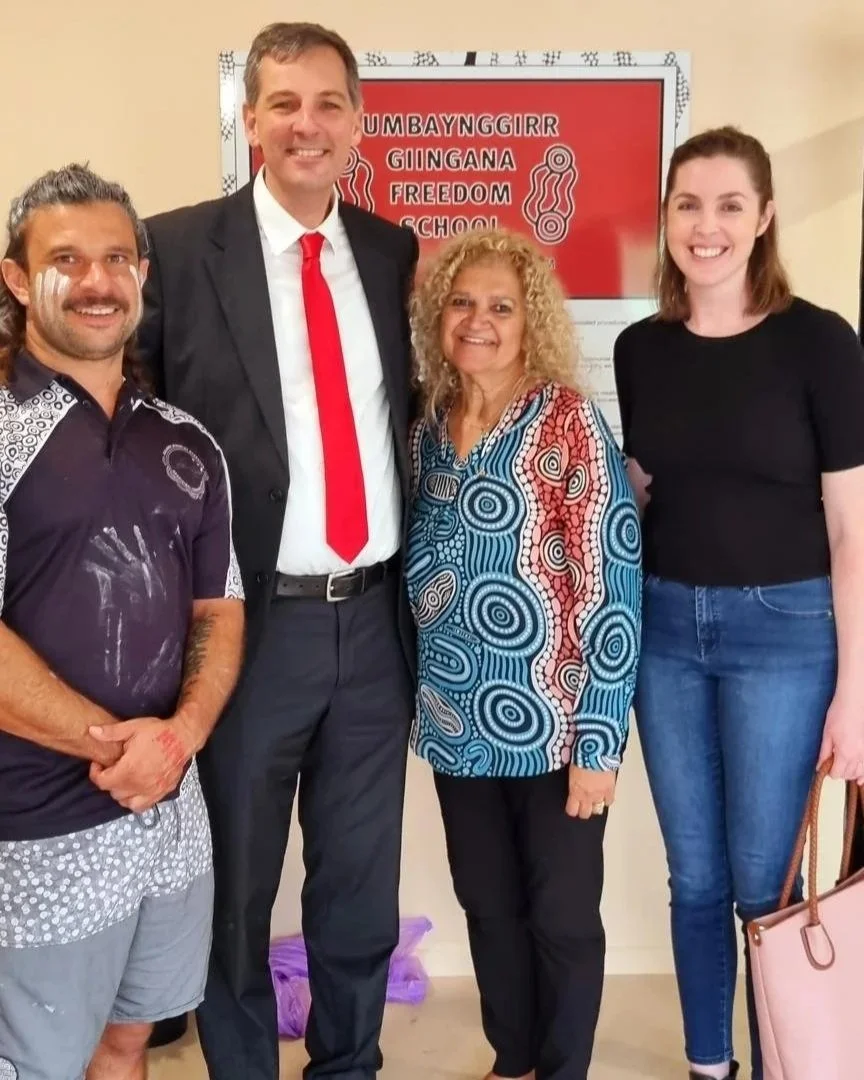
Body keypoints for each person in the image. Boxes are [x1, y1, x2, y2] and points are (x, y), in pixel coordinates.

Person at [137, 21, 419, 1080]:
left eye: (329, 103)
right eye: (284, 104)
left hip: (375, 624)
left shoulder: (390, 251)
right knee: (236, 888)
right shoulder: (174, 247)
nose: (308, 123)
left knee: (359, 889)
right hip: (245, 625)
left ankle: (349, 1065)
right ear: (249, 120)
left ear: (357, 121)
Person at [613, 126, 864, 1080]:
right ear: (667, 220)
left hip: (787, 634)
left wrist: (857, 690)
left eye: (728, 206)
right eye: (688, 205)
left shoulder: (821, 342)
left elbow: (853, 529)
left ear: (763, 219)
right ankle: (708, 1065)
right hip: (667, 631)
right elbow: (645, 492)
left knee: (766, 883)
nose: (705, 226)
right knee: (697, 878)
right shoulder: (643, 349)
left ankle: (781, 1065)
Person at [0, 164, 245, 1080]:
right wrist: (118, 749)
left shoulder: (185, 439)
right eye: (66, 259)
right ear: (19, 280)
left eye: (115, 257)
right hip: (34, 835)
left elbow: (219, 610)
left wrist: (178, 739)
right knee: (36, 1062)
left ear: (143, 272)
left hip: (169, 819)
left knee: (127, 1040)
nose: (97, 281)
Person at [406, 229, 642, 1080]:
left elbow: (612, 588)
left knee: (565, 915)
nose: (480, 321)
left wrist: (600, 743)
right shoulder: (430, 428)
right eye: (463, 303)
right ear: (440, 317)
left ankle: (563, 1066)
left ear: (530, 320)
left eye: (501, 306)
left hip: (556, 727)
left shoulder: (569, 422)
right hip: (456, 721)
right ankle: (514, 1059)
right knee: (489, 905)